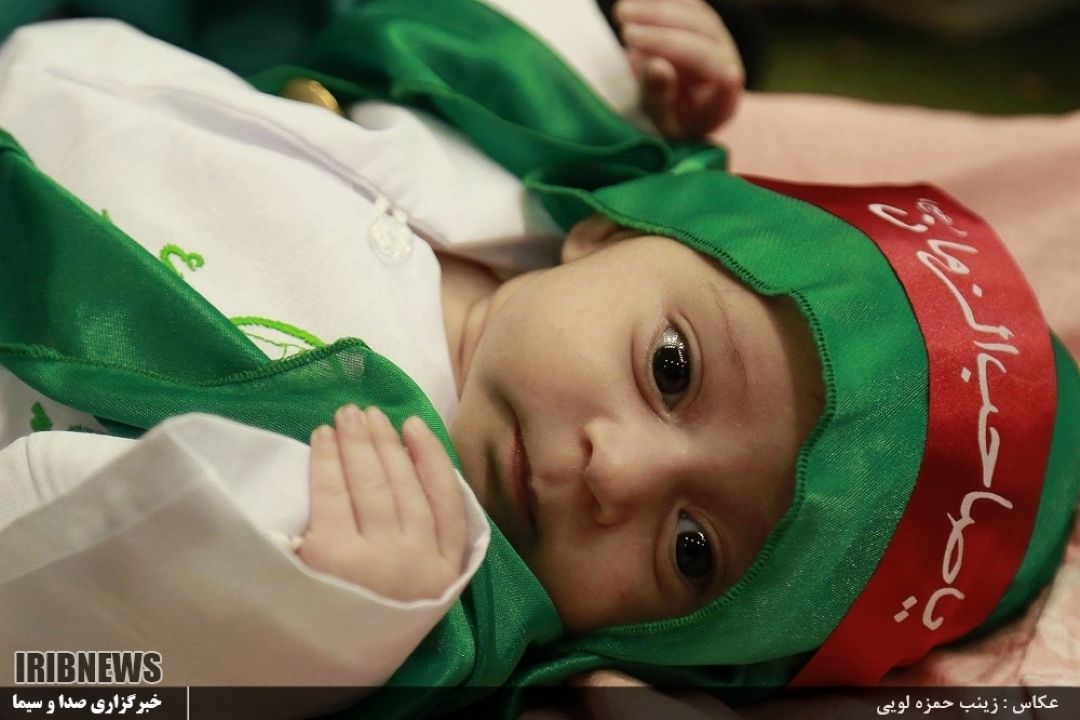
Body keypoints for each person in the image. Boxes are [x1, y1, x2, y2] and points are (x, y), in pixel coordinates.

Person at [0, 1, 1077, 719]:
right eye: (671, 370)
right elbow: (459, 45)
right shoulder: (523, 156)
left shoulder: (421, 588)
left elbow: (65, 676)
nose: (618, 472)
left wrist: (316, 616)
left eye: (692, 550)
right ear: (611, 229)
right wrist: (646, 63)